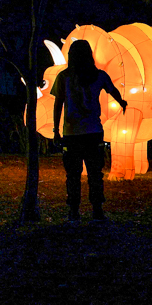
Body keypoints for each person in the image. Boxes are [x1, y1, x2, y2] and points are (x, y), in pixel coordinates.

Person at [52, 40, 127, 223]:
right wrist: (122, 102)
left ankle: (74, 212)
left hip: (72, 134)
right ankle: (97, 210)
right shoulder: (99, 76)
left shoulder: (64, 77)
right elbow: (113, 90)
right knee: (95, 173)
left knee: (73, 174)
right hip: (93, 132)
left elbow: (58, 103)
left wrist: (56, 130)